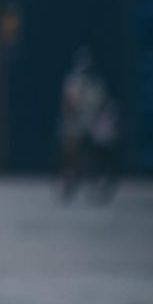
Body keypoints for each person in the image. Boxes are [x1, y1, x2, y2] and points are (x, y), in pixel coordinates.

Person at [58, 47, 119, 201]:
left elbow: (103, 102)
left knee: (93, 153)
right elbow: (69, 103)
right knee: (71, 153)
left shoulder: (94, 83)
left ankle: (91, 179)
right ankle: (70, 179)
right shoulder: (75, 82)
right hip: (78, 124)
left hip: (91, 125)